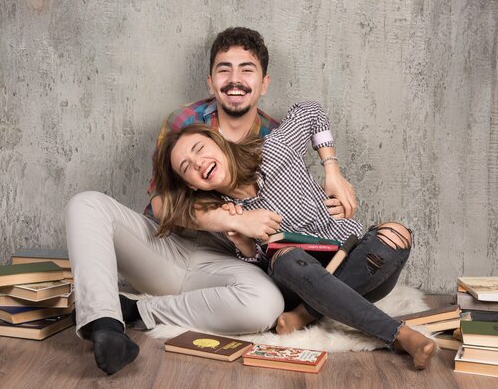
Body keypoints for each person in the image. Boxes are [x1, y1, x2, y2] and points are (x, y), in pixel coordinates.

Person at [65, 27, 351, 375]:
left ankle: (135, 312)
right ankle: (105, 327)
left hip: (232, 266)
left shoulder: (275, 137)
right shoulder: (185, 124)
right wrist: (232, 220)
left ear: (264, 83)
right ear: (210, 81)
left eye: (247, 69)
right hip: (166, 249)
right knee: (86, 204)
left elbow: (288, 221)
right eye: (223, 69)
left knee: (265, 305)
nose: (235, 79)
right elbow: (161, 205)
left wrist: (330, 188)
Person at [154, 100, 437, 370]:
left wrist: (332, 169)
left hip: (356, 264)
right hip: (299, 279)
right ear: (190, 184)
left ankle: (304, 315)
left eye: (199, 149)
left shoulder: (275, 150)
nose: (198, 163)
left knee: (395, 233)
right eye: (186, 167)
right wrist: (243, 243)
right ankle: (399, 335)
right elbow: (258, 271)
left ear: (217, 141)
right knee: (286, 257)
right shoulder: (225, 213)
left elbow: (311, 110)